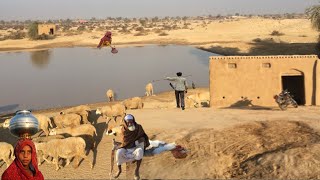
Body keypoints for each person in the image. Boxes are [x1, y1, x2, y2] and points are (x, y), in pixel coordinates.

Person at [113, 114, 150, 180]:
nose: (130, 123)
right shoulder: (123, 130)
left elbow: (143, 135)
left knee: (140, 151)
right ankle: (119, 170)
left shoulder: (138, 127)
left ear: (133, 121)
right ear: (125, 122)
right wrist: (137, 141)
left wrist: (142, 140)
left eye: (131, 122)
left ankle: (136, 171)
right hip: (126, 148)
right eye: (128, 122)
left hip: (136, 148)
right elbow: (125, 143)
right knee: (118, 152)